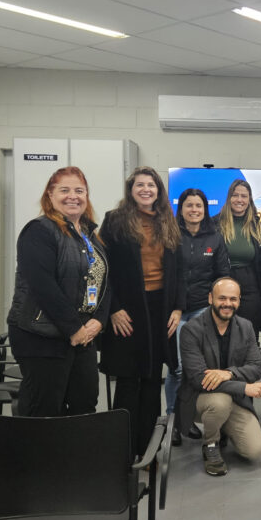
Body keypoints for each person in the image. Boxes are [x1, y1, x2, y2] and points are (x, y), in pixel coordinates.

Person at [8, 167, 109, 417]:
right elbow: (43, 286)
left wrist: (99, 320)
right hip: (42, 336)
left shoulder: (88, 234)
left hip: (83, 335)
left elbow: (104, 280)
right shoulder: (39, 231)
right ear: (50, 195)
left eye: (79, 191)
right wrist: (74, 328)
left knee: (85, 404)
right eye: (64, 190)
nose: (73, 196)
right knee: (45, 411)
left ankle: (73, 446)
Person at [100, 167, 183, 457]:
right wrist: (113, 309)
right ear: (131, 189)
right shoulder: (114, 220)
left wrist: (178, 308)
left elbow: (179, 271)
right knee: (127, 379)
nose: (146, 189)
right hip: (127, 309)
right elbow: (102, 269)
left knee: (151, 378)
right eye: (140, 185)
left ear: (159, 191)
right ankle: (121, 451)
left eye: (151, 185)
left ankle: (148, 449)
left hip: (160, 309)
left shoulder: (168, 222)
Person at [178, 277, 261, 476]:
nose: (228, 303)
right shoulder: (191, 330)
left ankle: (222, 427)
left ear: (239, 301)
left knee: (255, 450)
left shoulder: (246, 327)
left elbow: (256, 367)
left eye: (233, 299)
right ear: (210, 298)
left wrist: (228, 373)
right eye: (222, 298)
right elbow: (198, 379)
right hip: (200, 398)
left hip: (234, 399)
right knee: (220, 402)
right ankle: (210, 443)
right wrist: (244, 387)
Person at [166, 187, 230, 445]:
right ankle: (172, 421)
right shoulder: (170, 235)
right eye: (189, 205)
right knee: (178, 368)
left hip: (203, 310)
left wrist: (215, 305)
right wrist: (175, 305)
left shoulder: (215, 237)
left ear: (205, 209)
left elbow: (222, 275)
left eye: (198, 205)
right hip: (175, 311)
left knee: (198, 368)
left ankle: (188, 418)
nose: (194, 210)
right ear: (181, 209)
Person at [216, 179, 261, 329]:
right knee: (223, 330)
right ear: (229, 198)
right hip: (223, 280)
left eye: (244, 196)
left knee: (248, 330)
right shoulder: (215, 224)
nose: (239, 200)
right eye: (235, 195)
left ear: (249, 199)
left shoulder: (256, 225)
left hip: (250, 285)